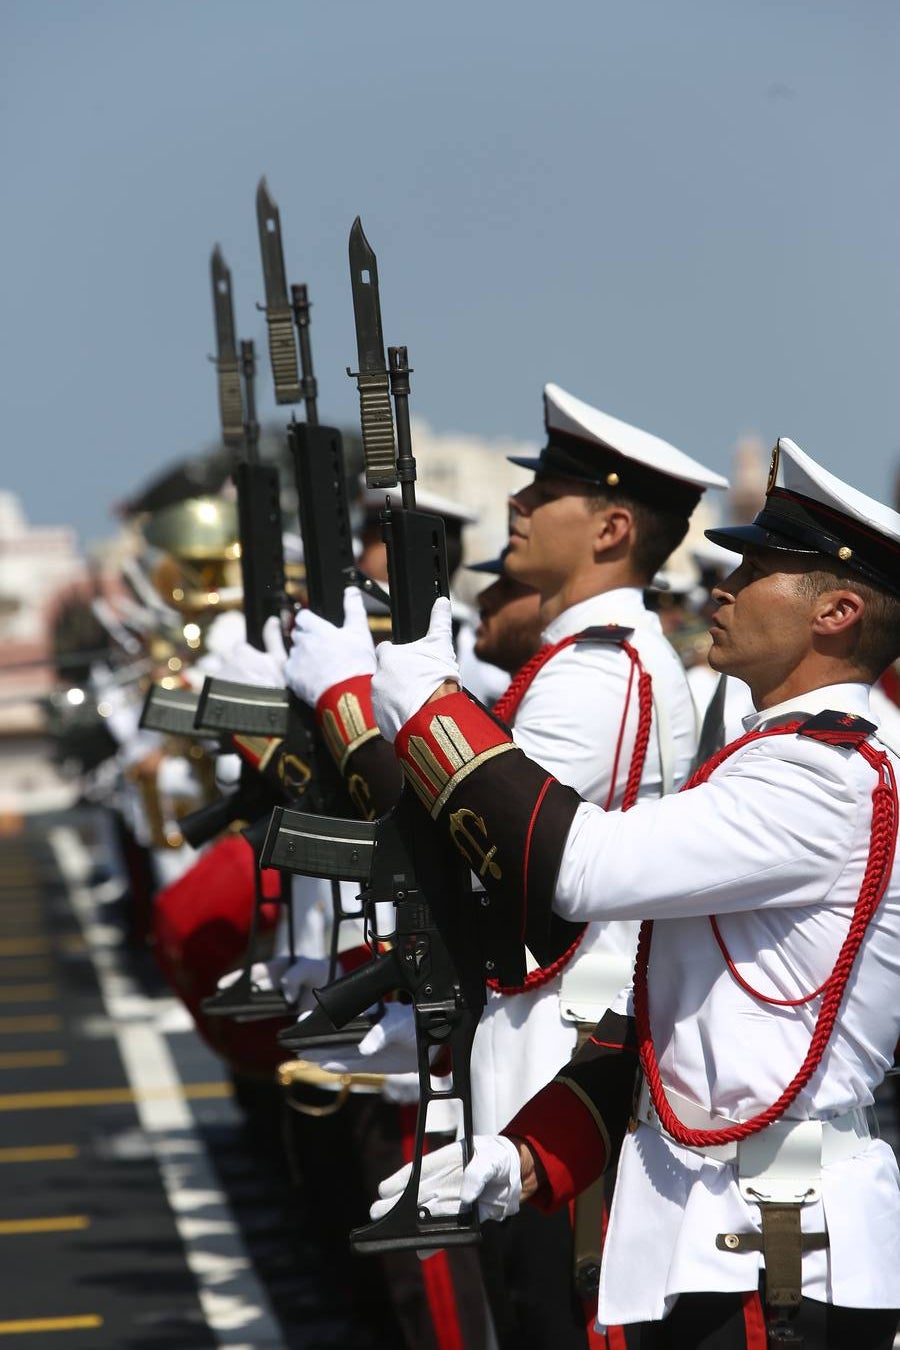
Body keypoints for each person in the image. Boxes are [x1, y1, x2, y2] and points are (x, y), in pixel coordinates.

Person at [367, 437, 900, 1349]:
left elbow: (581, 868)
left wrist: (429, 710)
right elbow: (673, 1026)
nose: (723, 589)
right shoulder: (781, 759)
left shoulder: (821, 777)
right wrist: (527, 1153)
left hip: (776, 1254)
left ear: (837, 613)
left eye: (755, 573)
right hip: (720, 1234)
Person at [285, 383, 728, 1348]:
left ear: (611, 528)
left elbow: (474, 846)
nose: (518, 505)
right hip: (539, 1048)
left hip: (558, 1060)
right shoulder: (586, 660)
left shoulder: (598, 671)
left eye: (546, 493)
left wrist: (352, 702)